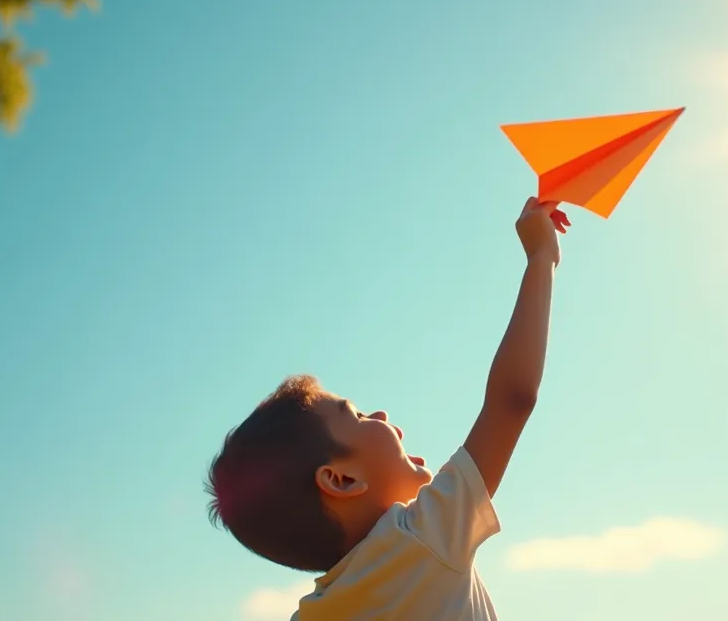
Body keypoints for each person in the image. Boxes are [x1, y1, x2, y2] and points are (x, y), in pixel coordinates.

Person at [206, 197, 570, 620]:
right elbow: (513, 399)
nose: (379, 415)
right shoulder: (422, 541)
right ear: (341, 479)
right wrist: (542, 258)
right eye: (356, 415)